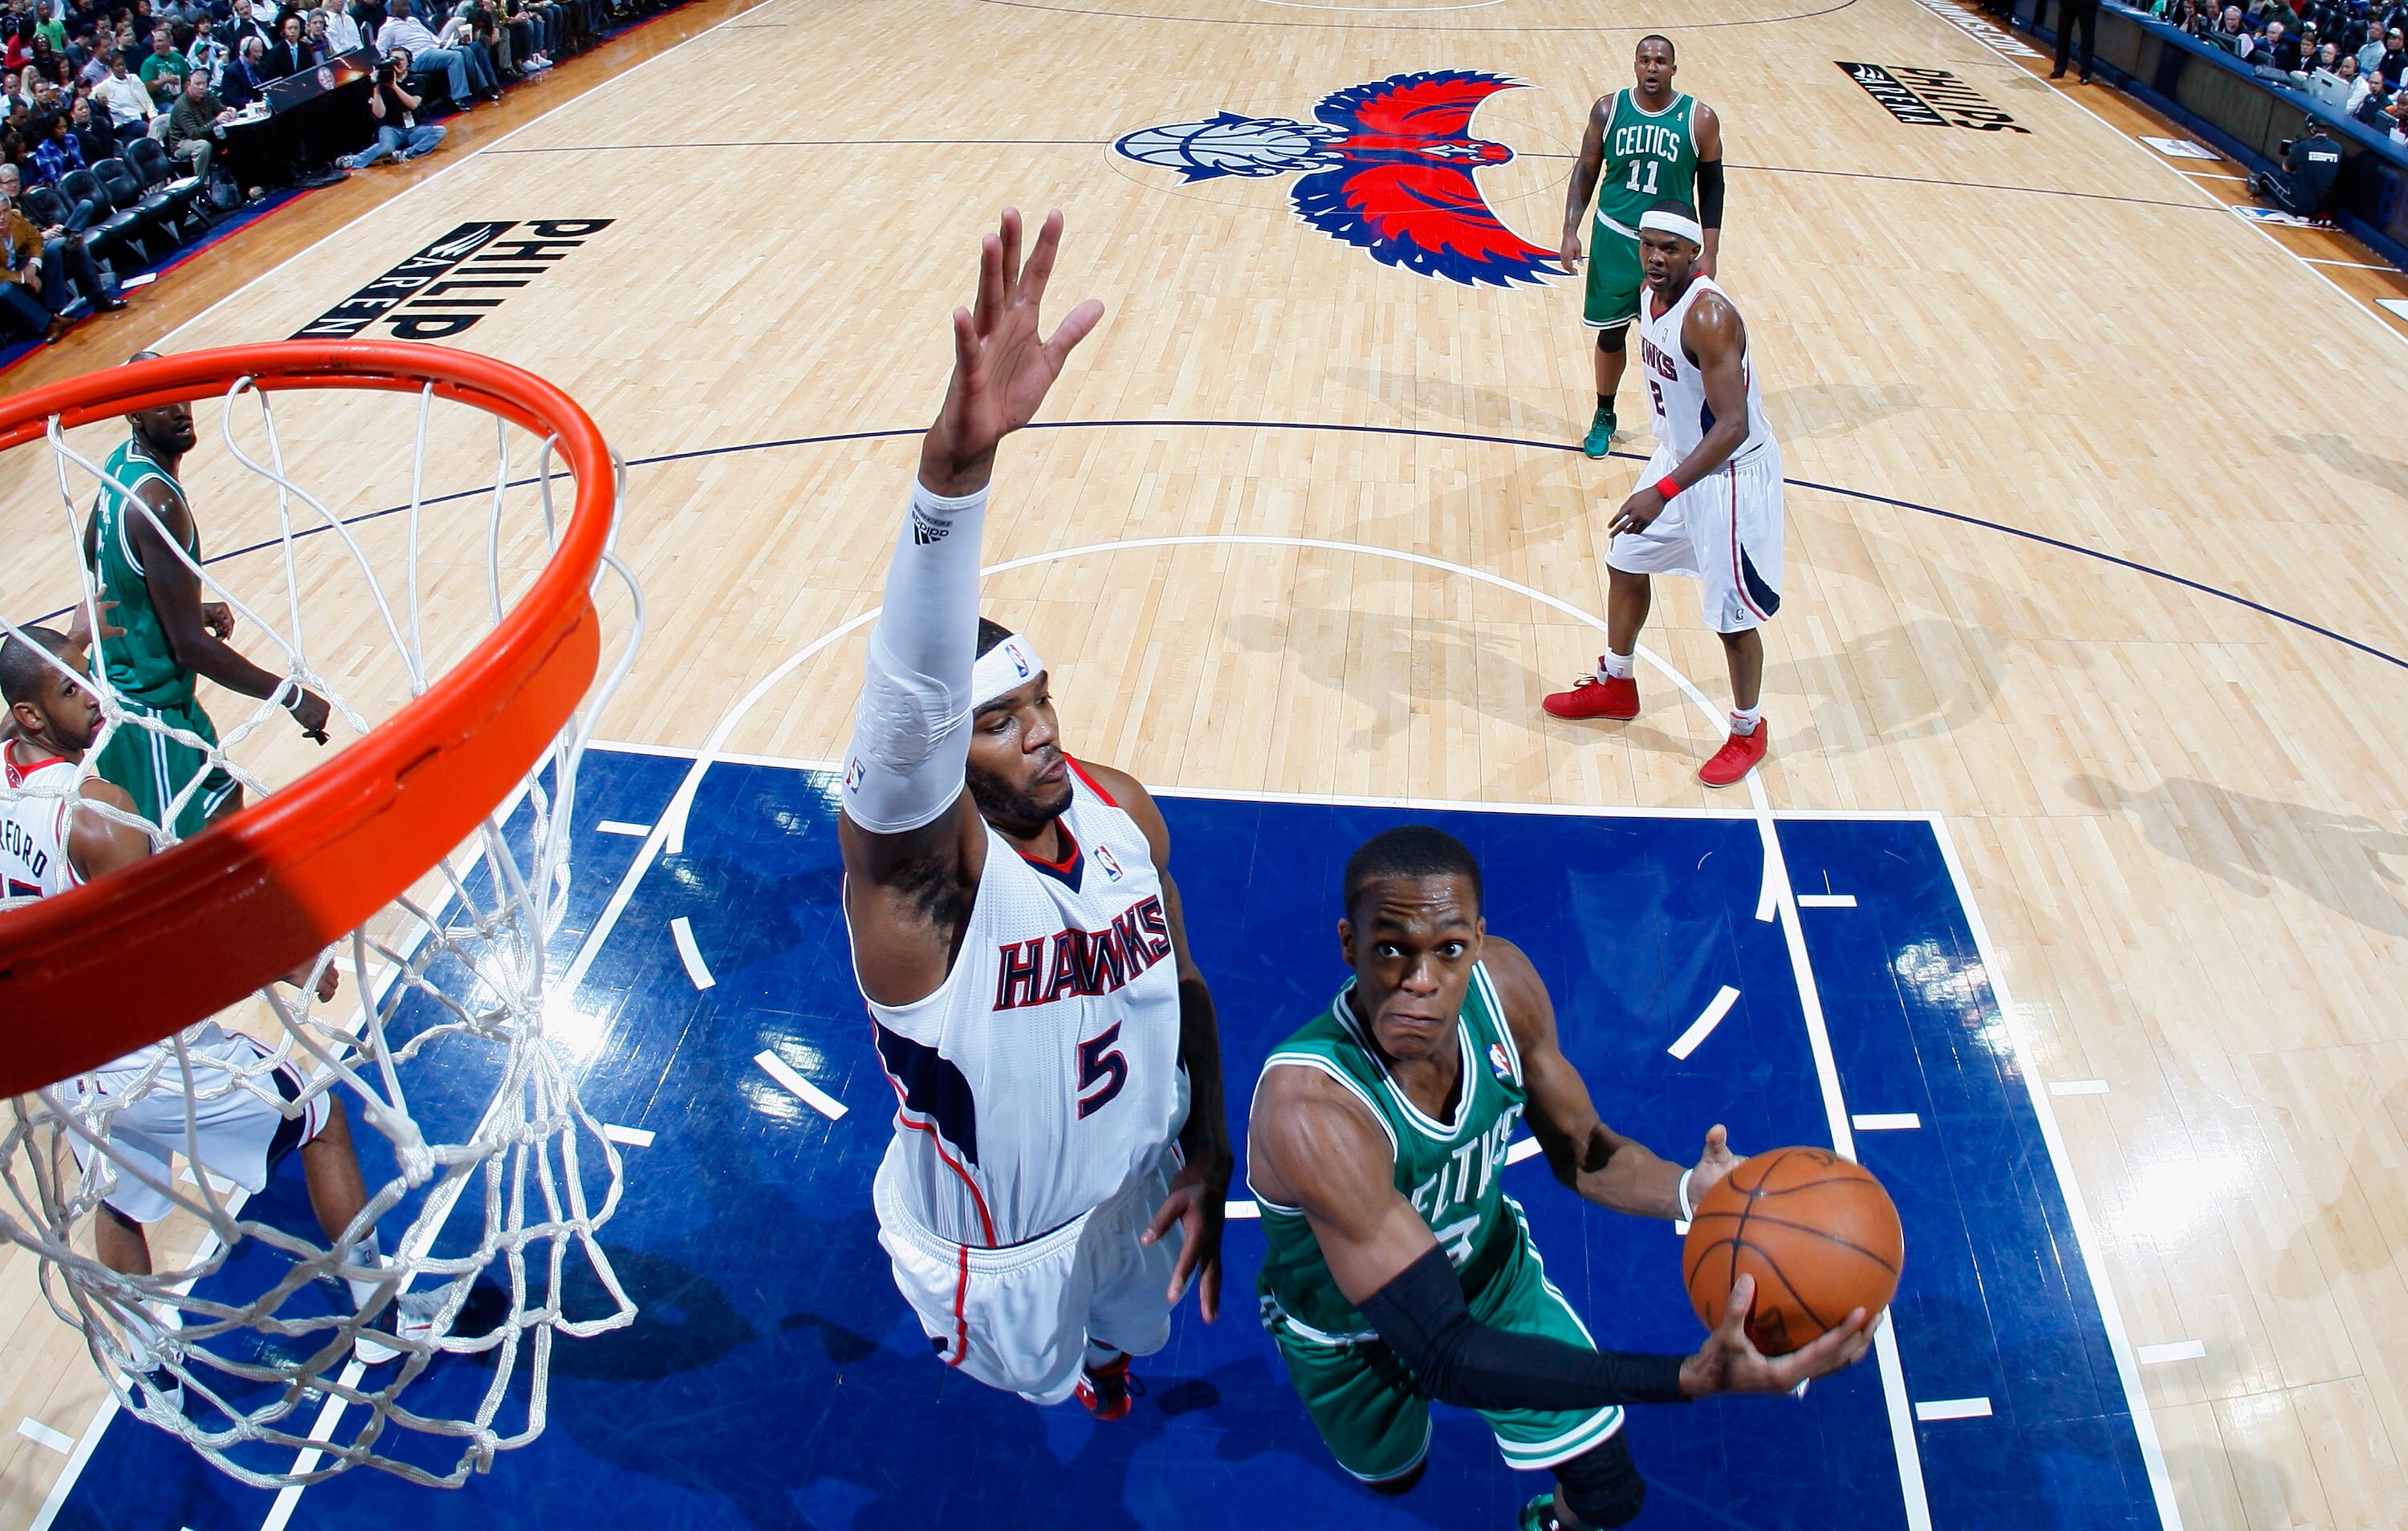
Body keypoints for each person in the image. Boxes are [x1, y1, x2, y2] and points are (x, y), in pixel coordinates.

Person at [840, 207, 1232, 1422]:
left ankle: (1109, 1361)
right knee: (1045, 1381)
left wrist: (1208, 1144)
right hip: (997, 1255)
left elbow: (1189, 983)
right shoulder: (926, 902)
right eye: (1003, 722)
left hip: (1137, 1178)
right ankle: (1075, 1374)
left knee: (1130, 1332)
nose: (1045, 730)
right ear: (949, 764)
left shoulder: (1122, 812)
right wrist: (954, 479)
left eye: (1043, 700)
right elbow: (907, 708)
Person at [1247, 826, 1873, 1529]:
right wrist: (1682, 1379)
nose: (1420, 982)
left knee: (1609, 1494)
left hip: (1490, 1280)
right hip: (1351, 1329)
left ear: (1479, 942)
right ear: (1347, 944)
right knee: (1397, 1476)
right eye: (1391, 949)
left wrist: (1690, 1193)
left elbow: (1583, 1154)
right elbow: (1446, 1355)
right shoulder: (1312, 1110)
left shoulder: (1505, 992)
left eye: (1448, 950)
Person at [0, 621, 433, 1392]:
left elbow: (22, 695)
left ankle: (140, 1353)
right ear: (33, 716)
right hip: (142, 1055)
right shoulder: (98, 814)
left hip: (63, 1057)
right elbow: (175, 957)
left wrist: (72, 642)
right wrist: (290, 956)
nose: (97, 693)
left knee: (121, 1198)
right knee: (320, 1120)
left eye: (90, 672)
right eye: (74, 687)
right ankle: (381, 1327)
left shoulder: (6, 772)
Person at [1542, 203, 1786, 788]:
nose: (1654, 257)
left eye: (1669, 249)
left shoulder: (1708, 316)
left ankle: (1748, 729)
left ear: (1693, 253)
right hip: (1679, 458)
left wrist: (1663, 490)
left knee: (1730, 619)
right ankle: (1618, 684)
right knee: (1625, 561)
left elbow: (1733, 426)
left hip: (1728, 475)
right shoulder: (1649, 297)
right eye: (1648, 245)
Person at [81, 351, 332, 844]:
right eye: (160, 403)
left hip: (152, 694)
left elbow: (95, 547)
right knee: (169, 856)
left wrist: (173, 606)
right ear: (134, 414)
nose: (179, 409)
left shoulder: (119, 465)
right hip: (145, 712)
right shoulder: (157, 502)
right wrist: (291, 694)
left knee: (223, 798)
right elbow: (189, 647)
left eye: (182, 394)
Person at [1557, 35, 1723, 459]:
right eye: (1645, 60)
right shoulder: (1608, 110)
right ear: (1635, 64)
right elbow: (1585, 170)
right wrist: (1570, 230)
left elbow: (1712, 187)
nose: (1652, 68)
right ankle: (1604, 413)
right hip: (1615, 238)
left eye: (1661, 61)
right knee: (1611, 335)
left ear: (1673, 68)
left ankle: (1701, 421)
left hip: (1671, 249)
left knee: (1684, 341)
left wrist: (1711, 249)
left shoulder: (1698, 118)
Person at [336, 49, 441, 165]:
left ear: (408, 62)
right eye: (394, 60)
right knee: (386, 147)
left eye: (401, 60)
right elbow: (379, 114)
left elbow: (413, 104)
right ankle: (353, 161)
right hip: (391, 129)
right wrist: (376, 88)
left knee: (439, 132)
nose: (398, 63)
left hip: (413, 129)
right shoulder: (382, 84)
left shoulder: (417, 80)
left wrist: (394, 86)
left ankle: (405, 154)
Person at [0, 192, 69, 343]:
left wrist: (33, 265)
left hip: (18, 265)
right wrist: (25, 277)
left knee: (52, 251)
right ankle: (48, 323)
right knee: (4, 289)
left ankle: (56, 312)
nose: (2, 217)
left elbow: (35, 240)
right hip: (3, 276)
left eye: (5, 211)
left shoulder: (16, 218)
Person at [376, 2, 476, 104]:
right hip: (418, 58)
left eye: (407, 5)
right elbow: (380, 50)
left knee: (465, 50)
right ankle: (458, 98)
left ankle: (480, 88)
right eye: (403, 6)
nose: (407, 9)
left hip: (435, 49)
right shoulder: (387, 28)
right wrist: (392, 64)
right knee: (455, 56)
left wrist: (441, 43)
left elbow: (430, 36)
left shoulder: (413, 20)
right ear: (393, 8)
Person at [2250, 113, 2345, 217]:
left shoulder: (2304, 147)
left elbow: (2286, 168)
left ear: (2311, 128)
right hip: (2323, 209)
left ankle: (2259, 188)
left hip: (2299, 206)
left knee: (2267, 175)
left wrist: (2294, 151)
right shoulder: (2337, 148)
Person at [163, 66, 222, 179]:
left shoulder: (207, 96)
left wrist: (230, 110)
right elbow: (195, 134)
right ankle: (200, 183)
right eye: (197, 84)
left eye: (204, 84)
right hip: (182, 143)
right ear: (189, 85)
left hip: (203, 132)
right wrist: (217, 121)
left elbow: (221, 109)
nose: (202, 87)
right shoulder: (182, 106)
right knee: (203, 146)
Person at [94, 51, 155, 144]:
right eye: (117, 66)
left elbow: (147, 100)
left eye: (123, 65)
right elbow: (91, 93)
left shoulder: (134, 78)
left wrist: (153, 116)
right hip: (127, 123)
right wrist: (98, 95)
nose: (121, 68)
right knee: (146, 128)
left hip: (143, 115)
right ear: (112, 68)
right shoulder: (107, 85)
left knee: (162, 122)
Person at [217, 34, 268, 110]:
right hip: (245, 110)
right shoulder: (232, 72)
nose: (260, 55)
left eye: (261, 51)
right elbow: (234, 99)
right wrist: (254, 104)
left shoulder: (257, 66)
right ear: (246, 52)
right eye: (257, 52)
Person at [2052, 0, 2102, 79]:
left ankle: (2085, 74)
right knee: (2063, 34)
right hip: (2068, 3)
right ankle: (2059, 68)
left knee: (2087, 38)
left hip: (2088, 4)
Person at [262, 11, 314, 76]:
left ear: (300, 30)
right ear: (284, 31)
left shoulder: (305, 47)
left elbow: (311, 69)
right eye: (290, 28)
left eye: (296, 28)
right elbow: (271, 74)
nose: (293, 31)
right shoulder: (276, 51)